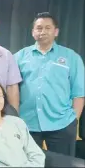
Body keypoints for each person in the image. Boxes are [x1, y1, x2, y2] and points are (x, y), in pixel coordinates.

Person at [15, 12, 84, 157]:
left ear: (56, 31)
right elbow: (12, 89)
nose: (43, 32)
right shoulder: (19, 57)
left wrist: (73, 121)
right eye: (39, 28)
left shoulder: (71, 57)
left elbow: (79, 93)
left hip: (62, 124)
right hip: (27, 123)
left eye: (48, 28)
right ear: (33, 32)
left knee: (61, 164)